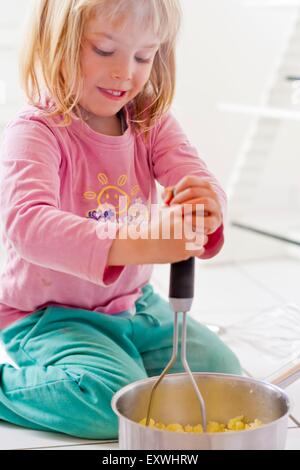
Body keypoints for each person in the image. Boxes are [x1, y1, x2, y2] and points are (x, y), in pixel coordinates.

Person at [0, 0, 241, 439]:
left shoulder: (150, 122)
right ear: (58, 44)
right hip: (51, 315)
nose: (125, 73)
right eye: (105, 50)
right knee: (111, 407)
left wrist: (205, 205)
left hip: (134, 304)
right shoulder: (37, 130)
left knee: (223, 374)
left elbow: (196, 177)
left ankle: (123, 356)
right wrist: (139, 241)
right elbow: (26, 226)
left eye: (143, 56)